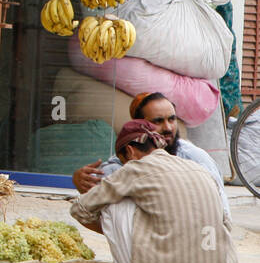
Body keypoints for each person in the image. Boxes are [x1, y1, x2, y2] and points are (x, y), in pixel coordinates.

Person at [70, 119, 247, 263]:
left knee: (114, 203)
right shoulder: (199, 170)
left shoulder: (136, 167)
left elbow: (80, 209)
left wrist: (115, 231)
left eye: (123, 160)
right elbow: (226, 223)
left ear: (129, 152)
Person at [72, 92, 230, 227]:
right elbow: (99, 191)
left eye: (172, 119)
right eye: (158, 121)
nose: (168, 128)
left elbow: (222, 213)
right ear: (139, 125)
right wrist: (81, 183)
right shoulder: (128, 157)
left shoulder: (194, 158)